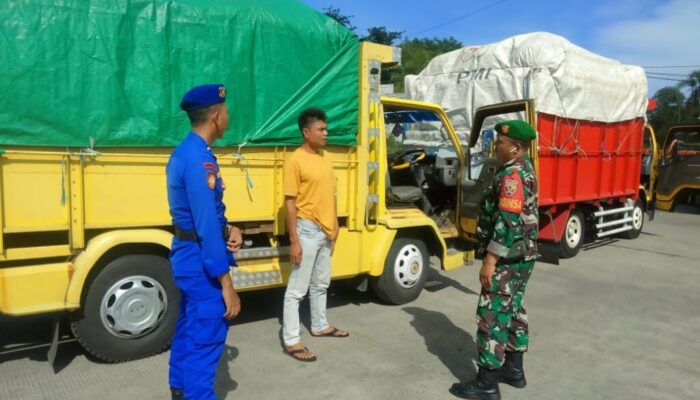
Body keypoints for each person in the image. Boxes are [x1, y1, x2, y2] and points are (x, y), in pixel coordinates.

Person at [450, 120, 539, 400]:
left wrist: (490, 259)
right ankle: (513, 369)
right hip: (521, 257)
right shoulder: (523, 168)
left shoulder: (512, 175)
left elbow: (507, 220)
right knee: (513, 310)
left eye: (500, 142)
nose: (496, 145)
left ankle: (487, 382)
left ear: (515, 147)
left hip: (507, 259)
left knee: (492, 315)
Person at [166, 84, 243, 400]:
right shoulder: (200, 160)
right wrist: (225, 282)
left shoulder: (186, 152)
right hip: (201, 261)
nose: (228, 116)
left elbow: (203, 216)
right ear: (215, 115)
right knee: (206, 339)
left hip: (188, 253)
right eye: (225, 111)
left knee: (188, 329)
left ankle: (179, 391)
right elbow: (205, 224)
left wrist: (229, 229)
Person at [281, 107, 349, 362]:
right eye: (321, 129)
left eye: (326, 128)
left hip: (325, 231)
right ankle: (291, 339)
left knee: (322, 284)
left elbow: (330, 194)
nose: (326, 133)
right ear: (306, 132)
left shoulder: (326, 157)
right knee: (297, 289)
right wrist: (294, 241)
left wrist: (335, 225)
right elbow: (290, 202)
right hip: (306, 230)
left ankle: (320, 325)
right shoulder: (295, 160)